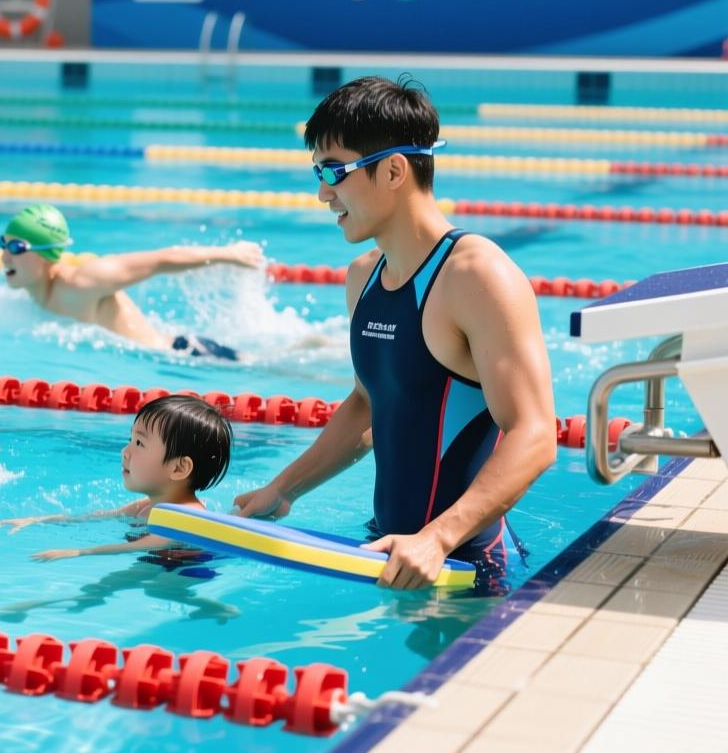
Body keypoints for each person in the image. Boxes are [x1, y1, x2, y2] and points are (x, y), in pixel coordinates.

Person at [234, 76, 557, 590]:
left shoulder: (477, 276)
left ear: (392, 170)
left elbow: (535, 435)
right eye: (318, 173)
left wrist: (438, 538)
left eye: (334, 172)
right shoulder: (363, 277)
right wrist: (283, 488)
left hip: (469, 567)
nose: (323, 193)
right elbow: (368, 403)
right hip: (387, 549)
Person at [0, 203, 263, 360]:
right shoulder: (31, 291)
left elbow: (162, 260)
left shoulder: (82, 282)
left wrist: (229, 254)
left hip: (187, 354)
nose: (4, 256)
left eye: (16, 247)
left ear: (45, 255)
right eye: (3, 244)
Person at [0, 394, 233, 560]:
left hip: (187, 570)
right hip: (160, 564)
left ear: (179, 468)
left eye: (139, 443)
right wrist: (38, 520)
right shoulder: (145, 506)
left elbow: (149, 544)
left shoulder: (187, 517)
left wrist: (80, 552)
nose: (125, 451)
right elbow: (98, 517)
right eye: (131, 439)